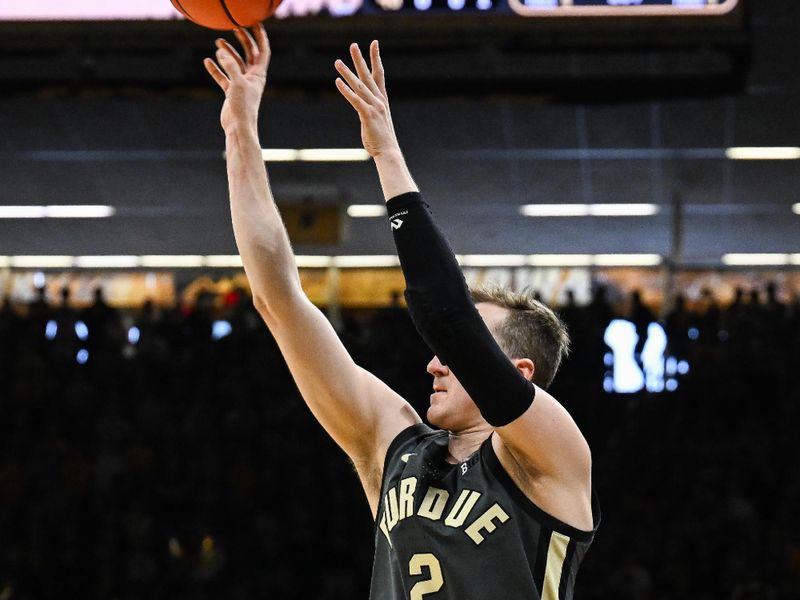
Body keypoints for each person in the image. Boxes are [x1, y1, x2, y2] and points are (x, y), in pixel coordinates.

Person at [204, 25, 598, 599]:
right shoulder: (393, 443)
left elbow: (448, 318)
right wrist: (240, 135)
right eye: (441, 358)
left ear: (518, 372)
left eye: (461, 358)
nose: (435, 365)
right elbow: (278, 300)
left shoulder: (552, 456)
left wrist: (386, 153)